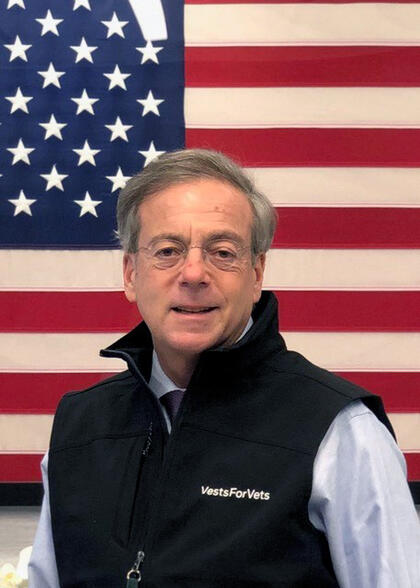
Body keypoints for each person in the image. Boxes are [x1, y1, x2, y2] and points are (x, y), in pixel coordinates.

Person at [29, 149, 420, 587]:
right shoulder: (79, 427)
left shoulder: (341, 432)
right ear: (130, 273)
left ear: (256, 274)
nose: (194, 273)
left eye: (223, 252)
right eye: (168, 250)